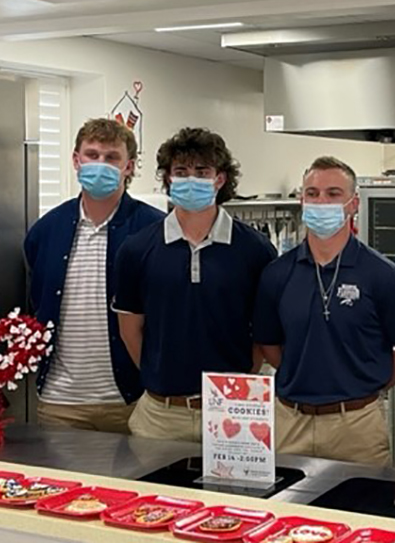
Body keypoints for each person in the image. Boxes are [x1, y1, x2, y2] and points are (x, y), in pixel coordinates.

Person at [253, 156, 395, 465]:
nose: (321, 202)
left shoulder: (383, 275)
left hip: (357, 426)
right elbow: (269, 346)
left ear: (353, 204)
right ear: (302, 200)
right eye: (313, 194)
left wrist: (368, 385)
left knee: (363, 510)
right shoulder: (277, 274)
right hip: (290, 423)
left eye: (333, 194)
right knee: (288, 509)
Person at [113, 127, 276, 442]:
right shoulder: (136, 249)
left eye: (202, 172)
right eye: (181, 171)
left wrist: (241, 381)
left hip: (235, 410)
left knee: (234, 493)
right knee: (155, 493)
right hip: (161, 415)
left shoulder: (256, 249)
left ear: (220, 179)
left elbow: (263, 332)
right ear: (167, 179)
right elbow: (130, 330)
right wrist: (160, 376)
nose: (191, 179)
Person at [24, 118, 164, 433]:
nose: (100, 164)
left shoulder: (154, 230)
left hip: (133, 401)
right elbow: (35, 304)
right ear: (76, 160)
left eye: (112, 157)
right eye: (92, 154)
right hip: (60, 402)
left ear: (129, 166)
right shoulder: (46, 231)